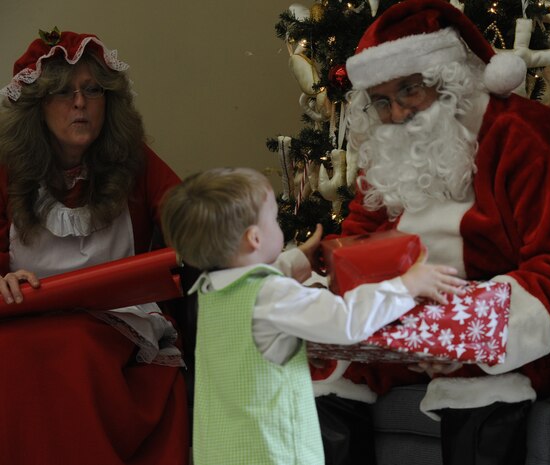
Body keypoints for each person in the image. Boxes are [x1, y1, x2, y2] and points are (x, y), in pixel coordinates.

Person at [311, 1, 550, 464]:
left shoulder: (532, 140)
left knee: (477, 376)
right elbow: (360, 241)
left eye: (410, 89)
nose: (399, 113)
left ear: (449, 80)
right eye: (383, 101)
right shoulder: (393, 149)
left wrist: (457, 333)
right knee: (327, 365)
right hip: (440, 314)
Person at [159, 166, 467, 465]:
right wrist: (405, 286)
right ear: (254, 239)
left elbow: (257, 298)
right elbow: (346, 321)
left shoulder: (210, 294)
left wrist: (295, 261)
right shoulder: (272, 295)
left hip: (225, 450)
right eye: (274, 221)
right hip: (273, 451)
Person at [0, 29, 189, 464]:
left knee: (74, 349)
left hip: (115, 321)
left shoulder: (134, 160)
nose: (80, 103)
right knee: (10, 355)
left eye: (93, 90)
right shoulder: (8, 170)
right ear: (37, 104)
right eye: (64, 92)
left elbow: (184, 214)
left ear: (111, 102)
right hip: (27, 318)